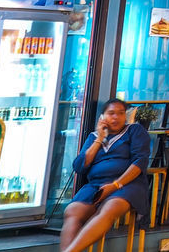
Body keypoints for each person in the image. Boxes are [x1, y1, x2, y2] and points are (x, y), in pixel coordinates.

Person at [60, 98, 151, 252]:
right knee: (72, 211)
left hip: (127, 184)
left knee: (109, 208)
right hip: (95, 186)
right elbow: (79, 166)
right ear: (102, 117)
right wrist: (99, 140)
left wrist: (115, 185)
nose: (116, 117)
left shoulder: (134, 131)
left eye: (121, 113)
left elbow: (140, 162)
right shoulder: (94, 137)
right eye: (111, 113)